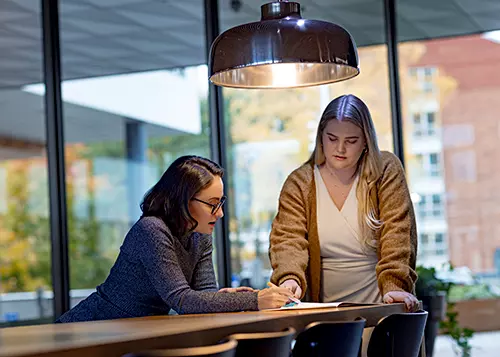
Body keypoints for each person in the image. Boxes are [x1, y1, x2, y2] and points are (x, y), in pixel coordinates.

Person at [58, 156, 292, 323]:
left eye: (220, 203)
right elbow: (182, 300)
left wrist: (225, 298)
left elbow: (203, 296)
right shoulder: (151, 230)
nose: (219, 213)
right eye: (212, 204)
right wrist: (255, 300)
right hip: (93, 328)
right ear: (183, 200)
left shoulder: (200, 236)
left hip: (134, 332)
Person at [269, 94, 419, 312]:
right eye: (332, 138)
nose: (340, 149)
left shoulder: (385, 170)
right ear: (321, 137)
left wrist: (394, 284)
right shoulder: (300, 182)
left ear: (366, 140)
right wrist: (290, 279)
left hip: (382, 302)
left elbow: (398, 233)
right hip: (323, 309)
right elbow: (287, 240)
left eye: (351, 141)